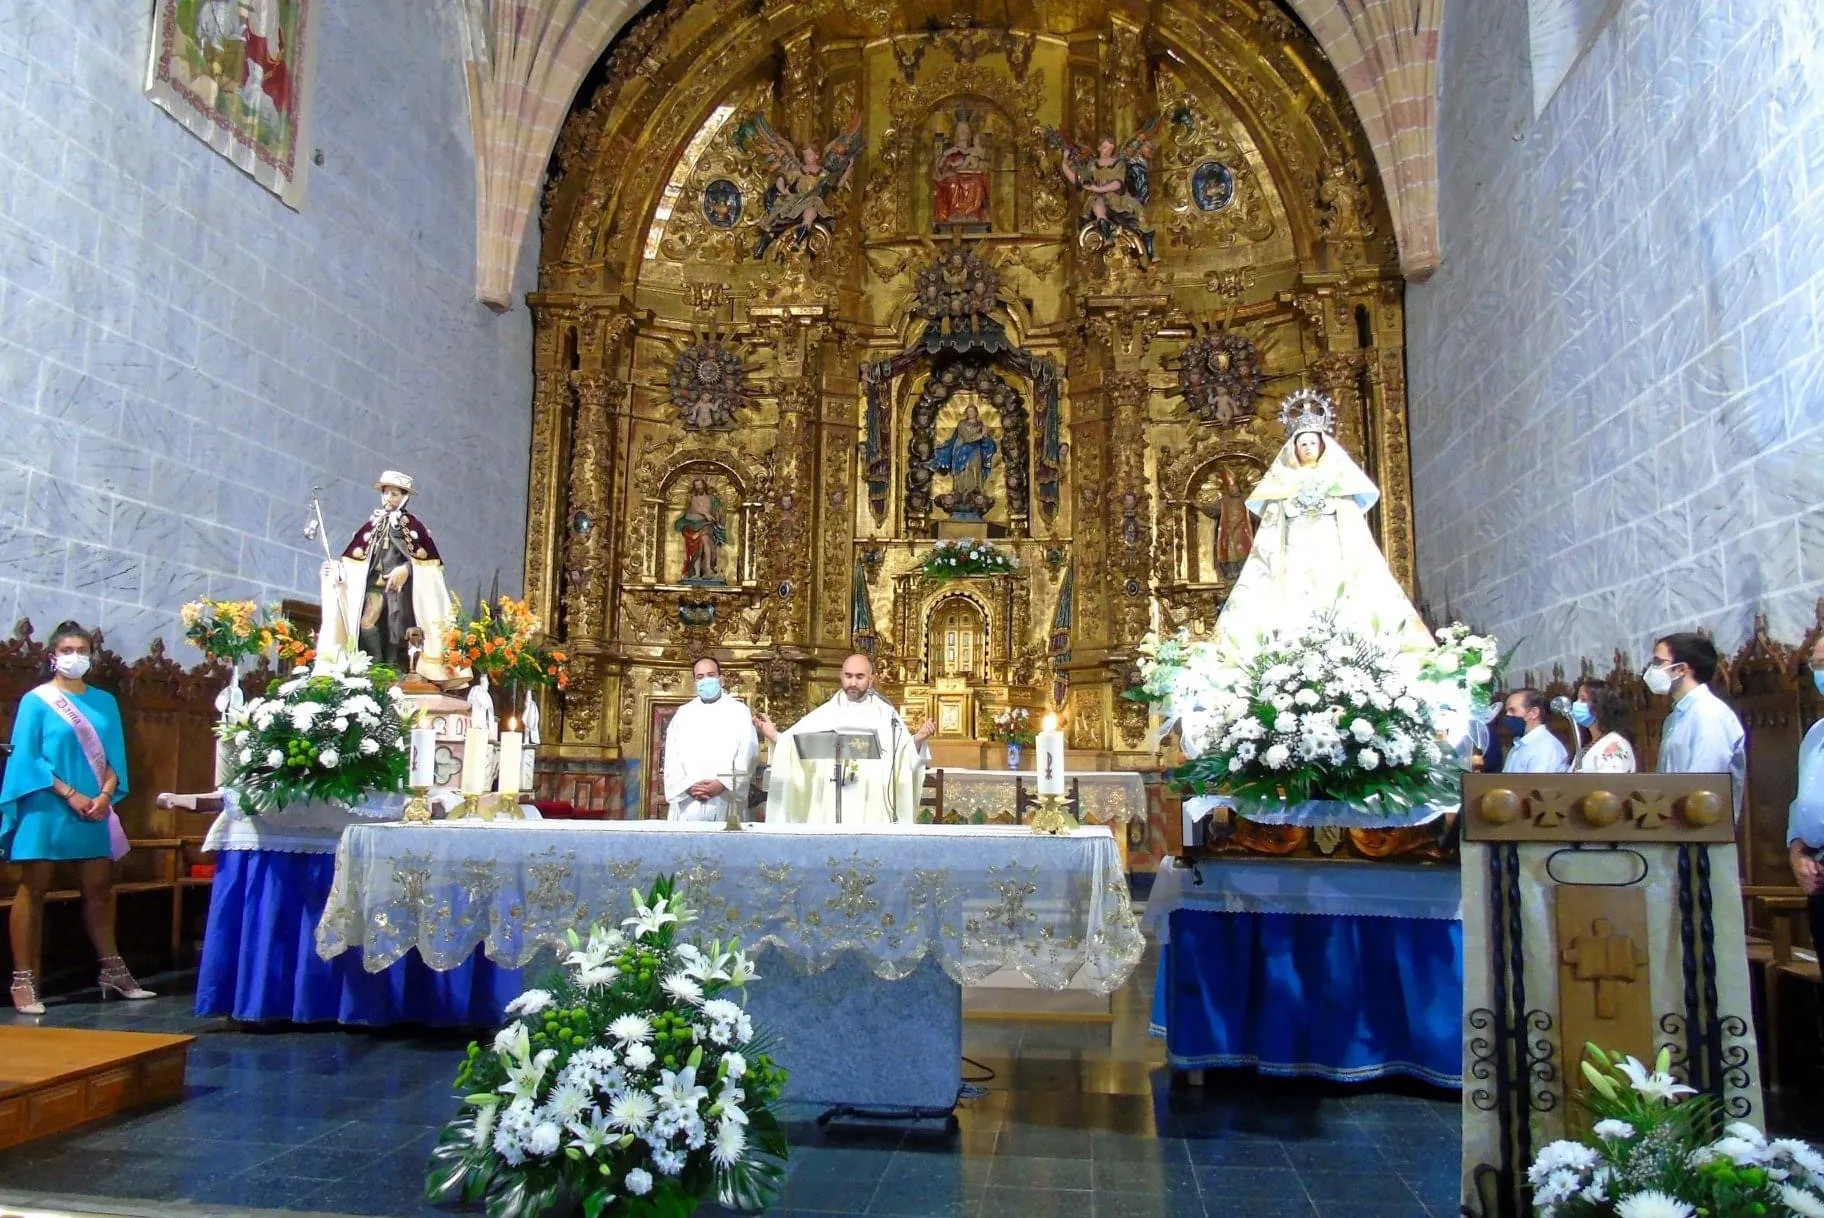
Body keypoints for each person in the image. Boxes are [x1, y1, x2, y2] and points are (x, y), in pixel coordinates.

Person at [2, 622, 153, 1014]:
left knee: (100, 887)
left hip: (94, 807)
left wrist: (104, 796)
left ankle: (113, 971)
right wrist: (69, 793)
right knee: (34, 888)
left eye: (82, 649)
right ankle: (23, 980)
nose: (75, 656)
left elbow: (115, 758)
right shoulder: (37, 701)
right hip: (47, 802)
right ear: (52, 656)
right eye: (67, 649)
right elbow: (27, 758)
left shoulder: (105, 702)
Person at [1213, 390, 1433, 657]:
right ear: (1294, 449)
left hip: (1330, 547)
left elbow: (1351, 523)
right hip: (1295, 550)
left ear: (1322, 446)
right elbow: (1272, 527)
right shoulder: (1282, 482)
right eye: (1302, 444)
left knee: (1337, 595)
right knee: (1294, 598)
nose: (1307, 448)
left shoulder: (1338, 478)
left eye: (1312, 443)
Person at [756, 654, 936, 826]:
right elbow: (796, 745)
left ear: (871, 679)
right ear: (841, 676)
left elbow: (903, 755)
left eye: (859, 677)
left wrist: (918, 739)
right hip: (830, 802)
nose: (853, 683)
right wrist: (774, 735)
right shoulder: (825, 713)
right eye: (848, 676)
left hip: (872, 804)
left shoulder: (886, 714)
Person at [317, 471, 457, 679]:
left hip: (400, 589)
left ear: (404, 497)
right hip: (375, 585)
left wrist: (407, 569)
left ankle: (392, 666)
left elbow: (428, 565)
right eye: (385, 494)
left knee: (395, 628)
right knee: (366, 624)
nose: (388, 499)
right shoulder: (373, 524)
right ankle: (375, 660)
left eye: (394, 494)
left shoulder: (413, 526)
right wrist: (335, 569)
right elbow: (353, 561)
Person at [1650, 632, 1746, 819]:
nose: (1651, 670)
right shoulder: (1675, 717)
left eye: (1658, 662)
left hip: (1701, 827)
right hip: (1675, 826)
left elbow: (1703, 783)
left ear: (1681, 670)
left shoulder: (1709, 714)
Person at [663, 658, 759, 823]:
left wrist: (722, 784)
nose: (705, 680)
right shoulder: (683, 714)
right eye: (700, 677)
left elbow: (748, 754)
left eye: (710, 675)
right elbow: (672, 757)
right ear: (694, 682)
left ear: (721, 680)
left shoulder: (739, 712)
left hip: (725, 798)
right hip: (688, 801)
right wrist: (687, 787)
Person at [1785, 636, 1824, 953]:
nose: (1820, 672)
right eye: (1817, 664)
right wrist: (1797, 852)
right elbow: (1802, 804)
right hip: (1818, 874)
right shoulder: (1815, 734)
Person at [1571, 678, 1636, 773]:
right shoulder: (1587, 745)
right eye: (1577, 699)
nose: (1576, 704)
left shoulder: (1615, 744)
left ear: (1599, 705)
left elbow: (1611, 784)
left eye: (1583, 699)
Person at [1500, 687, 1569, 773]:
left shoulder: (1545, 748)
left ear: (1534, 713)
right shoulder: (1518, 746)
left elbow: (1538, 785)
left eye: (1512, 710)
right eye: (1506, 711)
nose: (1507, 715)